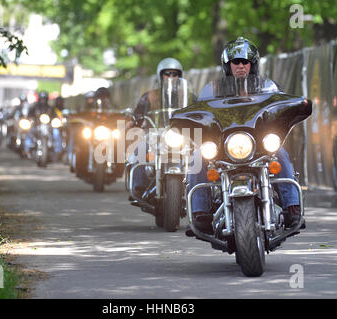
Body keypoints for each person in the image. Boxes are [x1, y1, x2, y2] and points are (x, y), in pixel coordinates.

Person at [186, 37, 302, 236]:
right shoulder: (212, 91)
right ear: (227, 65)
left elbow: (280, 106)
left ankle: (292, 208)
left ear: (252, 65)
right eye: (236, 62)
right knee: (198, 156)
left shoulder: (267, 88)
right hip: (225, 146)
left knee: (280, 153)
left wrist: (294, 106)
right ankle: (199, 213)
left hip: (258, 145)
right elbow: (200, 111)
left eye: (245, 62)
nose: (241, 66)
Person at [127, 57, 184, 197]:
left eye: (174, 74)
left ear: (180, 76)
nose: (171, 77)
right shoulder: (149, 96)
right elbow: (138, 112)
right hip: (155, 133)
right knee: (141, 147)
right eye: (167, 73)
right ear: (160, 75)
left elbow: (197, 112)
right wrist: (135, 119)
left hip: (181, 135)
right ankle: (138, 187)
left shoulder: (187, 96)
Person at [24, 91, 63, 160]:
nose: (43, 101)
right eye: (42, 99)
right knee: (29, 133)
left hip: (48, 127)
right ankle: (27, 150)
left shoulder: (51, 108)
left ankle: (58, 151)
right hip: (36, 126)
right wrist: (30, 119)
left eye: (44, 99)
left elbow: (55, 116)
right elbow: (29, 116)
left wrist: (56, 120)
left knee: (56, 133)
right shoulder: (34, 107)